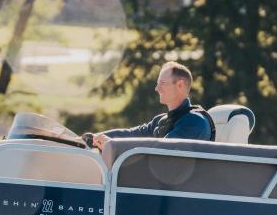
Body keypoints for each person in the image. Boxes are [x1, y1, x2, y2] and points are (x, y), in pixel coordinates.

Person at [87, 61, 215, 150]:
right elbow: (131, 134)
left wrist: (112, 145)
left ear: (180, 85)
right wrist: (93, 138)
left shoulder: (195, 121)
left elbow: (160, 150)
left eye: (162, 83)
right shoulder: (161, 120)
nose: (157, 89)